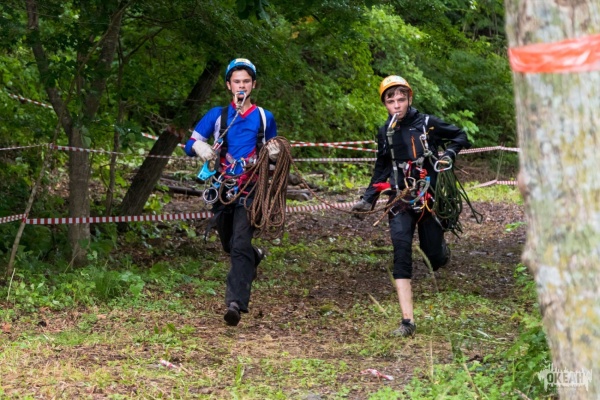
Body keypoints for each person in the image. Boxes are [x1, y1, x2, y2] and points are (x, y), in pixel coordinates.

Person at [352, 75, 471, 337]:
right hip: (399, 200)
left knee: (433, 257)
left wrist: (448, 155)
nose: (396, 105)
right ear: (385, 104)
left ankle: (440, 252)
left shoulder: (428, 124)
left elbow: (460, 136)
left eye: (401, 99)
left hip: (428, 198)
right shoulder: (385, 131)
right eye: (390, 100)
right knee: (401, 250)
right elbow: (382, 165)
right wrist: (368, 198)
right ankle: (407, 321)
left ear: (409, 98)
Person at [184, 58, 279, 326]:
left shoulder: (264, 117)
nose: (241, 86)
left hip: (251, 188)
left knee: (239, 244)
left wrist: (274, 154)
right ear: (229, 85)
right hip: (222, 187)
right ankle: (254, 256)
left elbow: (272, 150)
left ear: (253, 85)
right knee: (229, 244)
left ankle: (235, 304)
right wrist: (199, 148)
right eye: (236, 81)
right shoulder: (217, 116)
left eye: (246, 81)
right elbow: (190, 143)